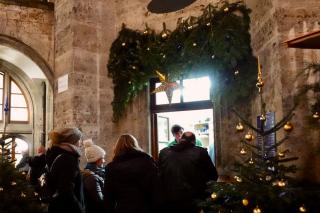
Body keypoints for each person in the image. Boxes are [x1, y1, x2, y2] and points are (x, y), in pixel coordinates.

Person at [159, 131, 218, 213]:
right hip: (193, 200)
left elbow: (159, 176)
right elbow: (213, 175)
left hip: (169, 199)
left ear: (180, 139)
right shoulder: (201, 152)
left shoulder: (164, 152)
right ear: (194, 141)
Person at [104, 134, 161, 213]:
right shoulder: (147, 162)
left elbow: (108, 197)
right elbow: (155, 190)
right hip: (145, 208)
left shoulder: (111, 167)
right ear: (135, 145)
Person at [45, 127, 85, 213]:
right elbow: (66, 191)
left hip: (56, 206)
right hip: (67, 209)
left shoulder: (55, 154)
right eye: (79, 140)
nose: (81, 143)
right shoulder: (67, 159)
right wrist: (80, 210)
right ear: (73, 141)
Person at [82, 139, 106, 213]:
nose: (104, 161)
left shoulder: (97, 173)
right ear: (97, 160)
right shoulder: (91, 177)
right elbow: (99, 200)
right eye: (102, 158)